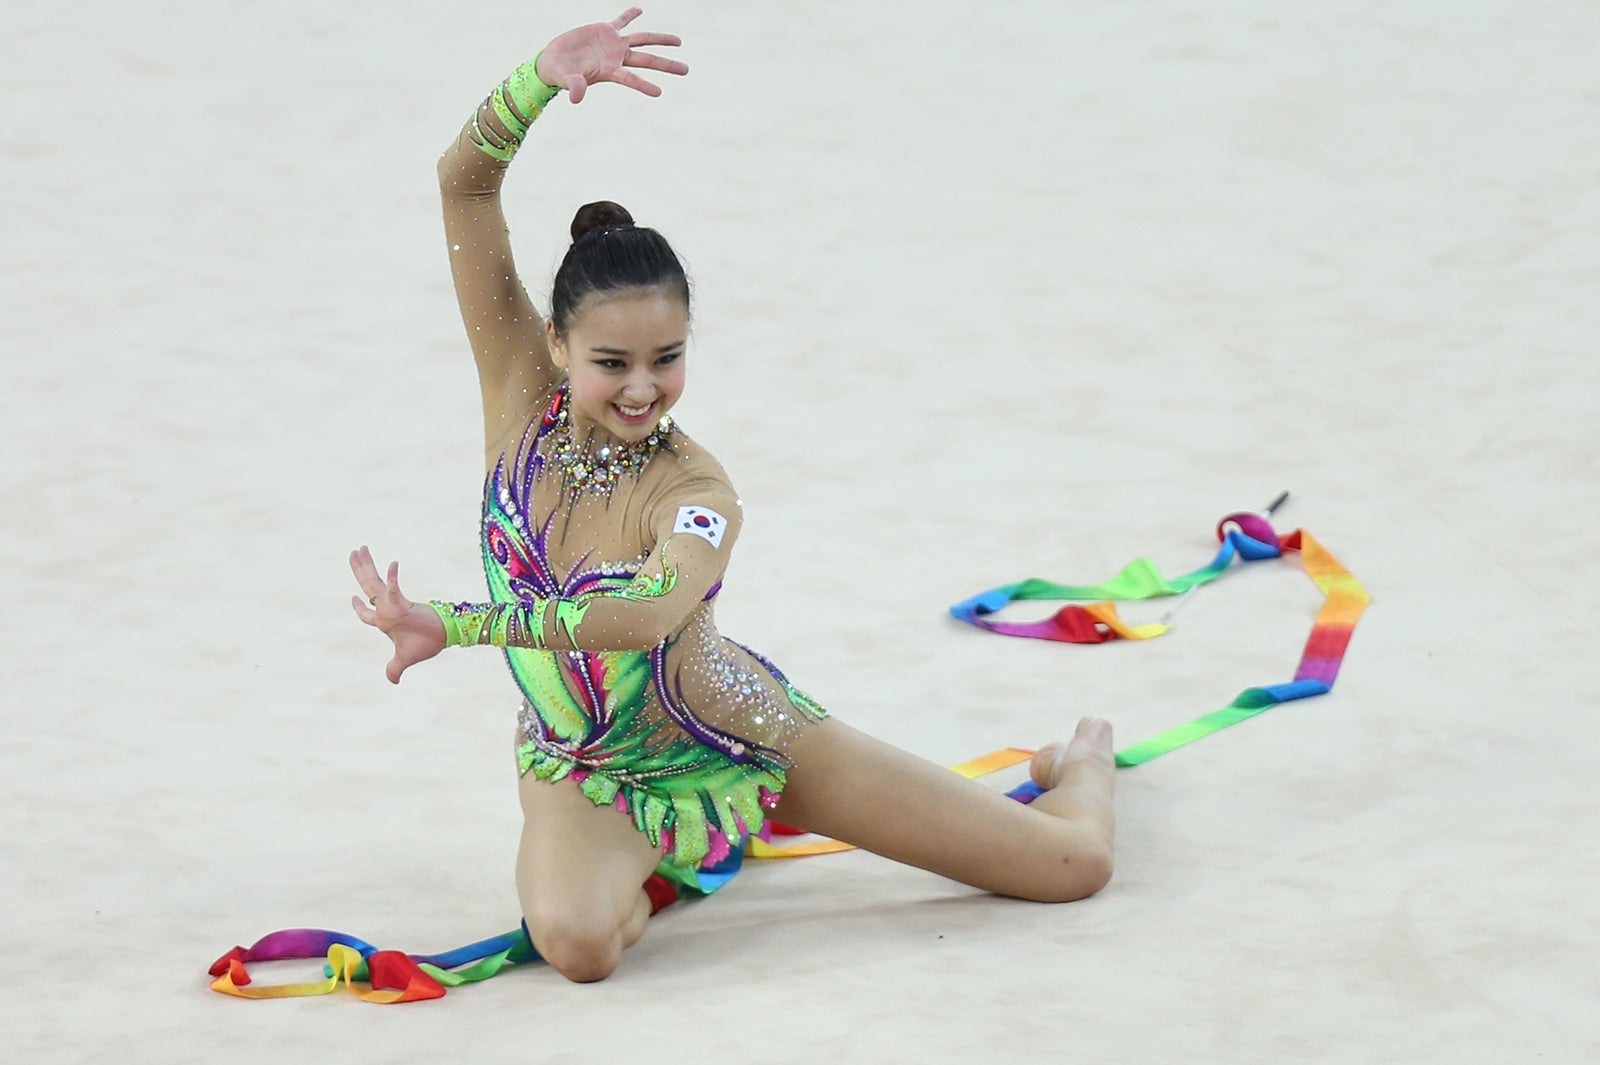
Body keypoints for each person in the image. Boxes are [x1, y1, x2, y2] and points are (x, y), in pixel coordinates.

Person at [348, 7, 1117, 984]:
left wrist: (450, 624)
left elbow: (641, 617)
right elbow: (464, 185)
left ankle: (1080, 765)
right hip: (586, 760)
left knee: (1071, 868)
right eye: (611, 362)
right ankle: (676, 849)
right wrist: (537, 80)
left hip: (734, 728)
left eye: (666, 359)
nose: (641, 388)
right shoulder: (516, 396)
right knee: (576, 945)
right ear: (553, 346)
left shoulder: (692, 488)